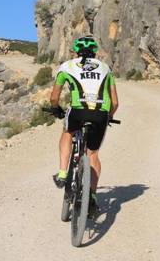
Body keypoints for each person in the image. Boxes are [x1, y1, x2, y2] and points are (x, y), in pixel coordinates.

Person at [49, 36, 119, 216]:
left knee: (67, 133)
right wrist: (109, 116)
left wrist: (55, 109)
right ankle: (92, 197)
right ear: (95, 52)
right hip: (100, 113)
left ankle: (63, 174)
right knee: (93, 153)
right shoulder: (106, 69)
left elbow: (54, 97)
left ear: (76, 51)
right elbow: (115, 102)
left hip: (78, 111)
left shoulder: (67, 66)